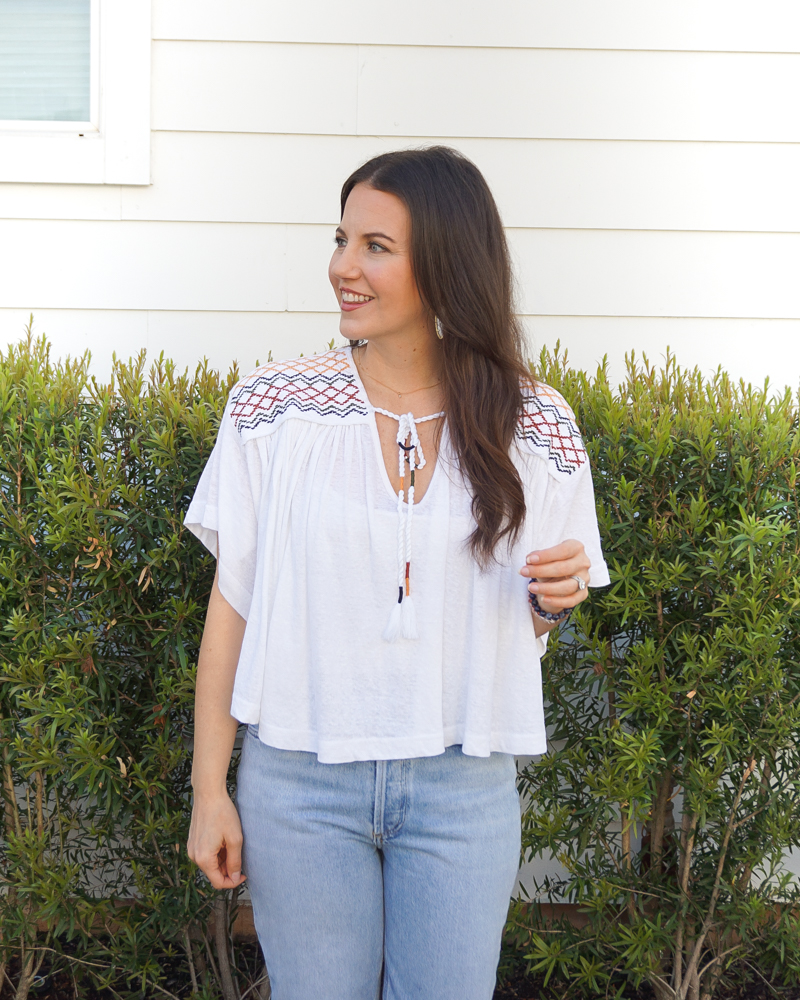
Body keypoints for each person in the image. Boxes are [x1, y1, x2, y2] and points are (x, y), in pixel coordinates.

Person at [185, 146, 609, 1000]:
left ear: (446, 263)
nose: (345, 266)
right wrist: (208, 791)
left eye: (376, 246)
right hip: (301, 783)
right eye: (342, 239)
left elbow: (516, 630)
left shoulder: (534, 422)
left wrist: (551, 604)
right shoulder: (273, 410)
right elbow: (232, 608)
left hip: (462, 787)